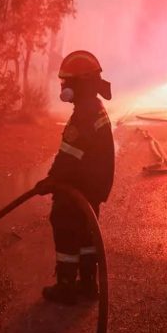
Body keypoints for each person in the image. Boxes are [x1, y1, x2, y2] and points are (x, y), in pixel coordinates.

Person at [35, 50, 115, 305]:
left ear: (79, 84)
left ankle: (67, 286)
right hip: (92, 184)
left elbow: (70, 155)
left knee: (66, 226)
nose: (63, 86)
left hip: (79, 186)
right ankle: (88, 285)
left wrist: (52, 180)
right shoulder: (92, 106)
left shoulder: (84, 113)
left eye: (67, 81)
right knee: (86, 233)